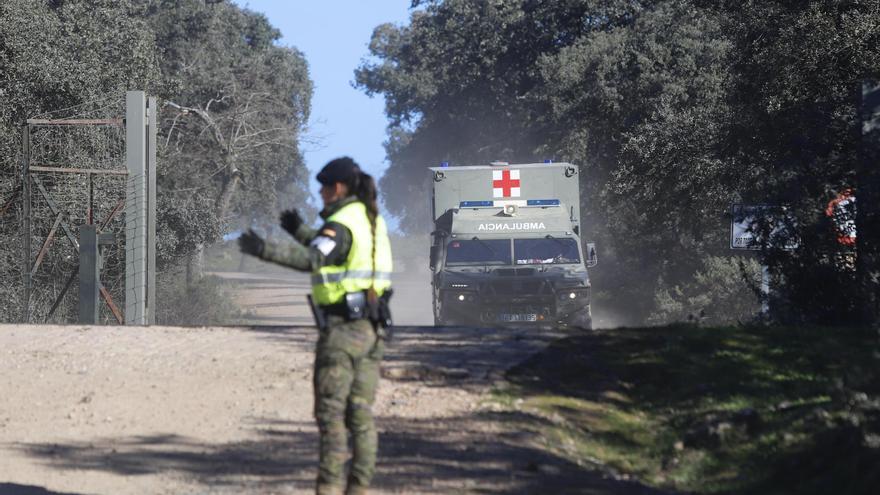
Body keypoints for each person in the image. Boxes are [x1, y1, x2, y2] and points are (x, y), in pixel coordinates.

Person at [238, 157, 393, 495]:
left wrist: (263, 249)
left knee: (331, 416)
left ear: (337, 187)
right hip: (373, 329)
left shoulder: (341, 222)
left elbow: (316, 258)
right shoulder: (370, 219)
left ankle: (329, 488)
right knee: (361, 416)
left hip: (342, 332)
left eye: (323, 186)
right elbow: (334, 249)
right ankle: (360, 488)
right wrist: (299, 231)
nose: (320, 192)